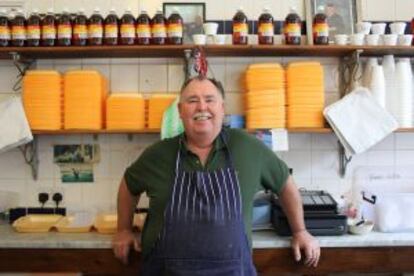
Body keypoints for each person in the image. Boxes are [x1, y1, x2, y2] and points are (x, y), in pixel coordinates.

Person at [112, 76, 320, 275]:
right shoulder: (158, 154)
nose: (202, 107)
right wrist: (123, 229)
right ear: (180, 111)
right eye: (192, 101)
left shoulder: (248, 147)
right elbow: (129, 185)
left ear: (222, 108)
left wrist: (300, 231)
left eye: (209, 100)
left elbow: (285, 184)